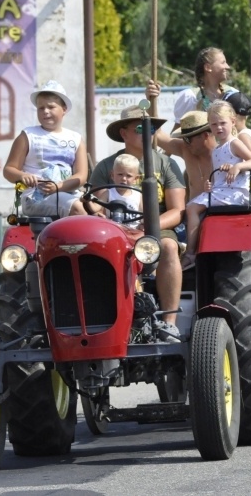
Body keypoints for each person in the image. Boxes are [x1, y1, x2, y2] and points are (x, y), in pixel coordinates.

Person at [89, 105, 186, 342]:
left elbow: (177, 210)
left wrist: (150, 225)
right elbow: (95, 206)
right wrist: (99, 217)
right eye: (141, 128)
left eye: (152, 127)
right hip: (113, 230)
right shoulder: (106, 166)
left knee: (169, 247)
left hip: (155, 228)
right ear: (124, 134)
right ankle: (97, 319)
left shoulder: (166, 164)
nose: (149, 132)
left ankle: (169, 322)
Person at [182, 100, 251, 268]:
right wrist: (208, 186)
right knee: (192, 208)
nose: (219, 128)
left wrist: (238, 166)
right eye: (214, 124)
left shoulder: (235, 143)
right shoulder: (217, 150)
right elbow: (215, 177)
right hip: (221, 190)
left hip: (236, 191)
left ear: (232, 121)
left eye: (223, 123)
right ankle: (198, 249)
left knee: (192, 208)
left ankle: (190, 253)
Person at [3, 80, 89, 218]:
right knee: (78, 208)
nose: (45, 111)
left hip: (69, 195)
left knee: (98, 209)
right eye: (41, 108)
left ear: (64, 109)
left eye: (51, 107)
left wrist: (59, 187)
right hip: (35, 198)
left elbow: (81, 176)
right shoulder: (28, 135)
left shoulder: (76, 138)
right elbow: (8, 170)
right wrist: (22, 176)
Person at [146, 47, 237, 130]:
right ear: (208, 67)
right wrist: (150, 99)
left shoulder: (233, 94)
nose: (227, 67)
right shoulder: (191, 97)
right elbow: (177, 136)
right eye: (223, 62)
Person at [85, 153, 143, 229]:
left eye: (128, 176)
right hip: (113, 230)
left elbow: (144, 216)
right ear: (112, 175)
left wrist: (142, 225)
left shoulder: (138, 196)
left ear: (136, 179)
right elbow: (95, 208)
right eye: (120, 174)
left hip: (133, 232)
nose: (124, 179)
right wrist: (87, 199)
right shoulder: (108, 193)